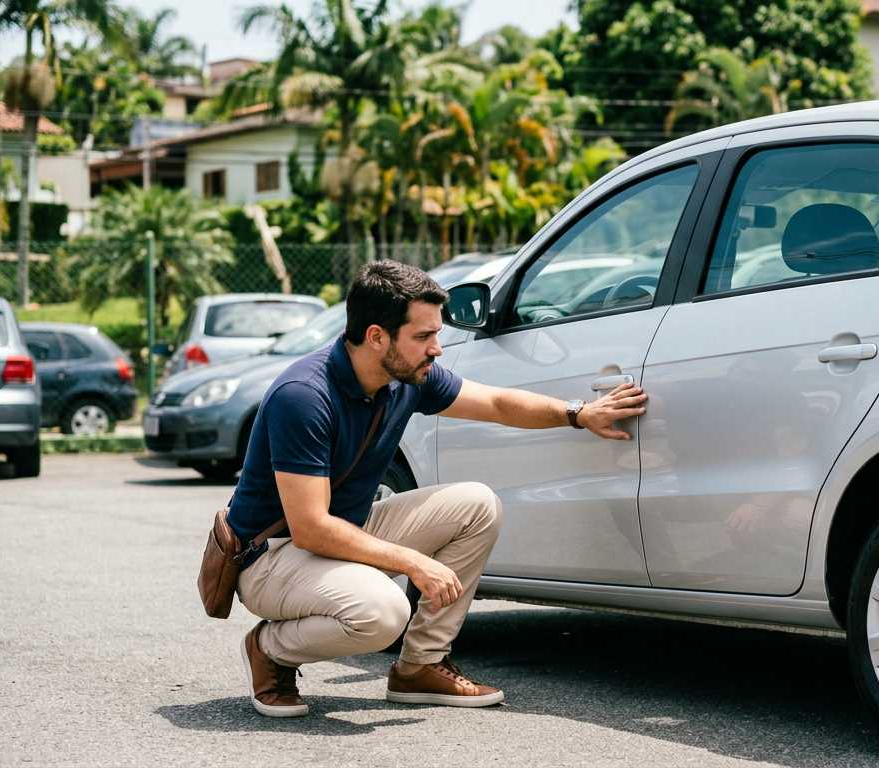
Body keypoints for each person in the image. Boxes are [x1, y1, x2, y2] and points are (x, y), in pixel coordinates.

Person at [228, 259, 648, 717]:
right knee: (384, 613)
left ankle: (420, 666)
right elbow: (310, 528)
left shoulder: (404, 378)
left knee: (476, 505)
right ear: (377, 336)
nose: (437, 349)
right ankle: (270, 649)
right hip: (272, 556)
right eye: (424, 336)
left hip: (343, 532)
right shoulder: (304, 396)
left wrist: (578, 414)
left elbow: (496, 403)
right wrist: (414, 562)